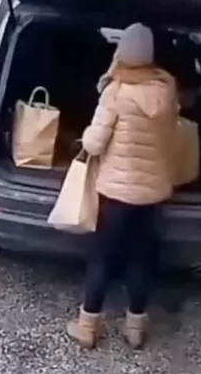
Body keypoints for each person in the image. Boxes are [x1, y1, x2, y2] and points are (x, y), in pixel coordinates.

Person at [66, 23, 179, 350]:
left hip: (117, 192)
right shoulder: (166, 90)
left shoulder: (116, 91)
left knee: (104, 257)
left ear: (123, 52)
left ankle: (87, 327)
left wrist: (84, 137)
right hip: (152, 193)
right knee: (140, 258)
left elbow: (95, 143)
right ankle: (135, 328)